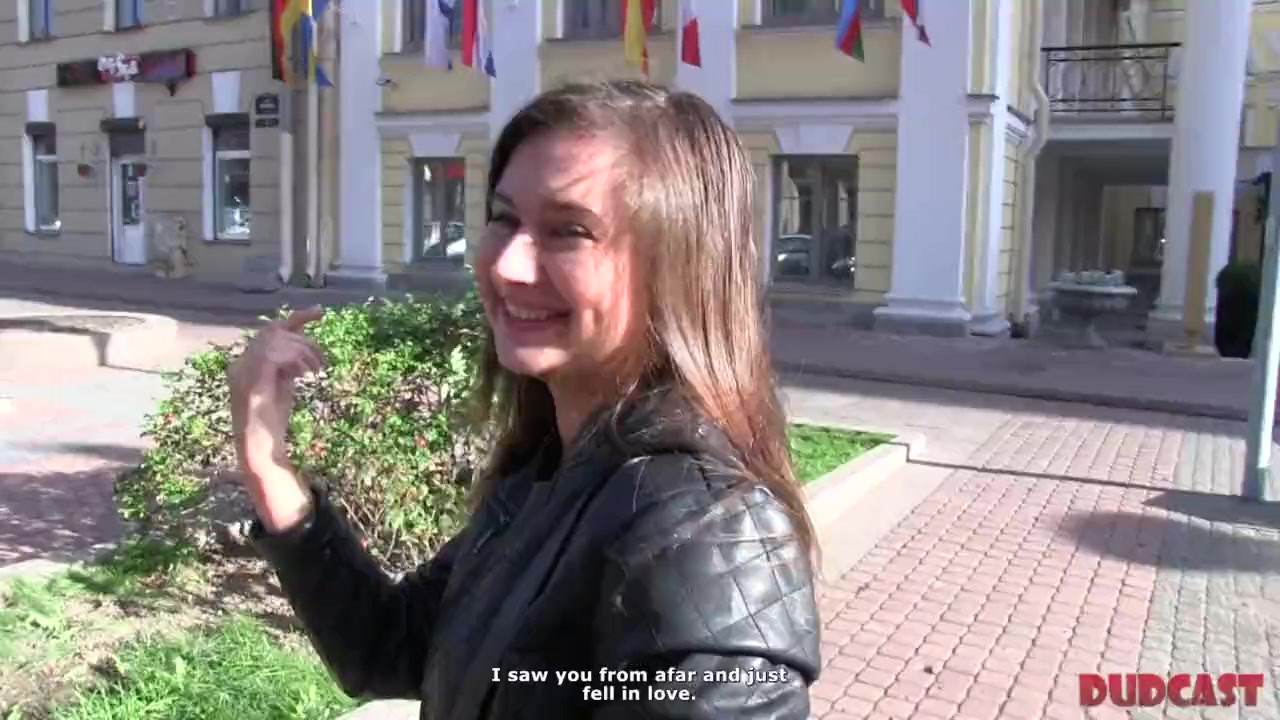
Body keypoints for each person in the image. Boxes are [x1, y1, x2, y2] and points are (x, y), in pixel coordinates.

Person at [228, 80, 821, 719]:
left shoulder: (704, 530)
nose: (508, 264)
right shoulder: (548, 473)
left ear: (677, 268)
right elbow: (390, 648)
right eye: (504, 218)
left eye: (568, 231)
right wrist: (267, 466)